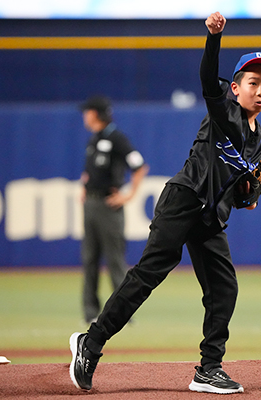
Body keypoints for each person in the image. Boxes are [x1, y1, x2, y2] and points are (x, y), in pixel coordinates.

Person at [69, 11, 261, 395]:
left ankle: (209, 369)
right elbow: (208, 80)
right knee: (148, 274)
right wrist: (214, 38)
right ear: (236, 88)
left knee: (224, 287)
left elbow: (242, 192)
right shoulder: (224, 111)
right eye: (253, 83)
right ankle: (91, 342)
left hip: (210, 217)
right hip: (184, 200)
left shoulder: (260, 141)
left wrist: (248, 196)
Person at [79, 95, 149, 324]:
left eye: (88, 111)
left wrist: (129, 194)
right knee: (89, 259)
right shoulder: (93, 139)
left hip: (109, 206)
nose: (85, 116)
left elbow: (139, 166)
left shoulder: (116, 138)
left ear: (96, 114)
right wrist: (85, 186)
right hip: (91, 204)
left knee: (115, 260)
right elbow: (91, 171)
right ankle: (90, 313)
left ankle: (123, 313)